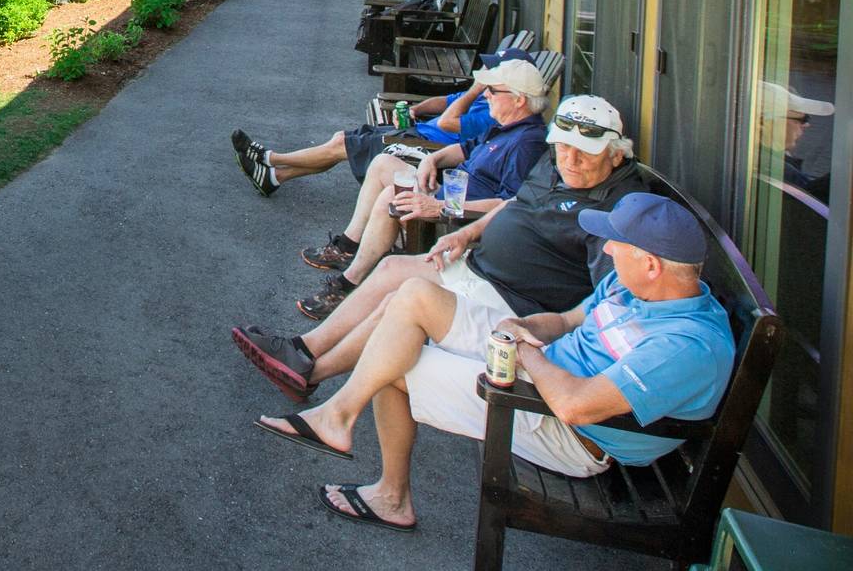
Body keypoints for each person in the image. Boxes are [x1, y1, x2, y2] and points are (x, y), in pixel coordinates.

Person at [252, 193, 735, 533]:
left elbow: (573, 406)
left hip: (569, 431)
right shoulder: (636, 286)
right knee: (416, 292)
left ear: (651, 263)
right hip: (540, 365)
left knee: (395, 365)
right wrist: (526, 331)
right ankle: (338, 415)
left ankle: (390, 494)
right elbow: (566, 319)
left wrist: (523, 351)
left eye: (616, 245)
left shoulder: (685, 346)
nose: (606, 250)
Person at [232, 95, 646, 400]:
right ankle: (302, 351)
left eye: (584, 151)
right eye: (564, 147)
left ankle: (309, 370)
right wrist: (466, 234)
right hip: (481, 266)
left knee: (404, 297)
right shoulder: (555, 164)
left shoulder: (619, 212)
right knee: (394, 272)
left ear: (614, 152)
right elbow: (513, 204)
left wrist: (543, 339)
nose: (570, 159)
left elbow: (606, 305)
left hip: (515, 301)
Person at [288, 59, 553, 320]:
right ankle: (348, 247)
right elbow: (463, 149)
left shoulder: (527, 144)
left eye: (493, 90)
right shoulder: (504, 127)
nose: (486, 94)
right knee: (383, 163)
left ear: (519, 100)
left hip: (458, 216)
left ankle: (348, 283)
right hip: (446, 193)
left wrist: (440, 206)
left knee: (392, 197)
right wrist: (432, 160)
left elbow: (510, 204)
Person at [229, 44, 531, 198]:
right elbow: (445, 102)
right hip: (413, 131)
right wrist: (419, 107)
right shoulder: (487, 98)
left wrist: (478, 88)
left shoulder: (490, 109)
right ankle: (273, 177)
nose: (484, 74)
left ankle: (269, 158)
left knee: (341, 144)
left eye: (493, 75)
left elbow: (446, 124)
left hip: (422, 144)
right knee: (342, 140)